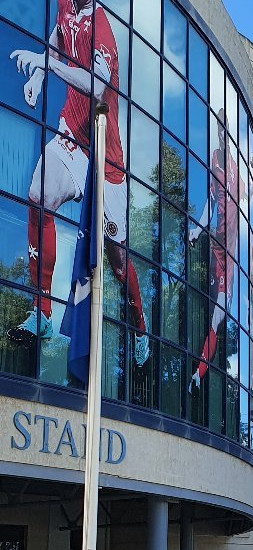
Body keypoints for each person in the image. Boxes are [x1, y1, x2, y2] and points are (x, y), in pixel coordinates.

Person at [7, 0, 149, 367]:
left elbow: (95, 85)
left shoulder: (103, 29)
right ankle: (43, 313)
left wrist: (47, 66)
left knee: (117, 259)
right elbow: (59, 31)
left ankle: (139, 325)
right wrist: (39, 73)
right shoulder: (65, 3)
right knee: (38, 197)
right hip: (72, 134)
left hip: (106, 157)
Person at [188, 111, 245, 392]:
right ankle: (199, 370)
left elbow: (244, 205)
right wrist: (198, 230)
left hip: (230, 258)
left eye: (226, 130)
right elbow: (212, 203)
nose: (222, 134)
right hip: (215, 247)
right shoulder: (215, 160)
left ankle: (199, 372)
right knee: (207, 306)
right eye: (219, 129)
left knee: (218, 315)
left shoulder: (238, 172)